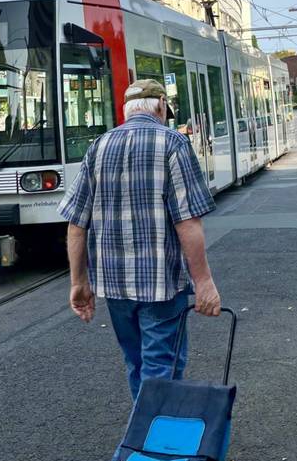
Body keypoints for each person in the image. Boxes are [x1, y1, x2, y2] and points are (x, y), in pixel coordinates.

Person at [59, 79, 220, 400]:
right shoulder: (173, 143)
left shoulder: (98, 146)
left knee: (136, 363)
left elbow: (76, 225)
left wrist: (79, 282)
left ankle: (145, 424)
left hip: (115, 286)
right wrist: (204, 282)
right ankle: (152, 429)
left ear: (126, 109)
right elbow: (188, 222)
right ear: (161, 105)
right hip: (162, 284)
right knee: (161, 367)